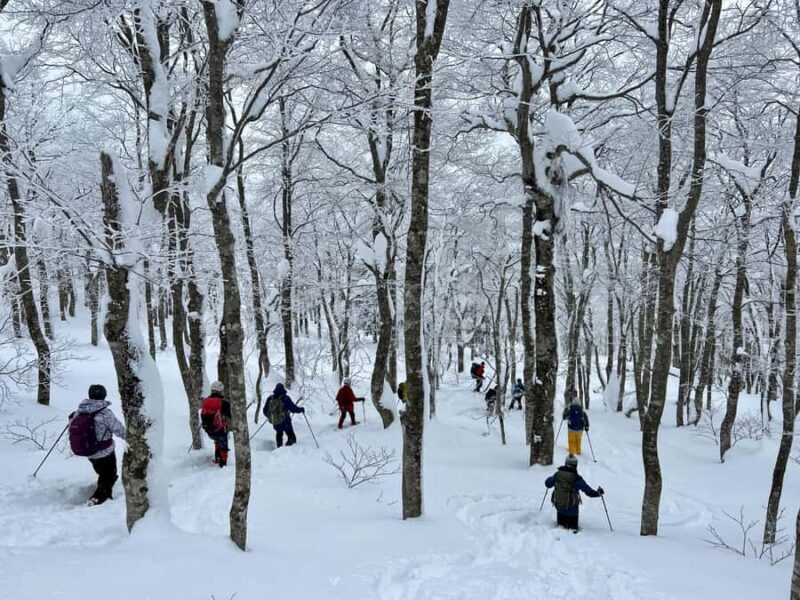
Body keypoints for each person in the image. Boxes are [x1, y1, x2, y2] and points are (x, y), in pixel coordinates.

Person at [69, 384, 126, 506]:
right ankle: (98, 499)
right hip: (105, 452)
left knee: (103, 473)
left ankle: (105, 485)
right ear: (104, 396)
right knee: (108, 475)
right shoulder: (105, 414)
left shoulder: (79, 412)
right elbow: (119, 430)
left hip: (89, 452)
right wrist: (132, 438)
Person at [544, 454, 604, 531]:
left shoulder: (558, 474)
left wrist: (553, 478)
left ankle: (561, 527)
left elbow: (547, 484)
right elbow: (588, 491)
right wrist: (598, 493)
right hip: (572, 511)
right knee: (572, 529)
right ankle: (572, 530)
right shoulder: (576, 478)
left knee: (561, 527)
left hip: (559, 507)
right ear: (575, 465)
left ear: (566, 463)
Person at [200, 381, 231, 467]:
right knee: (223, 444)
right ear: (221, 391)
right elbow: (231, 415)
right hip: (220, 429)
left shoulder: (205, 401)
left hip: (209, 430)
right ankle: (223, 463)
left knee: (217, 440)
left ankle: (217, 458)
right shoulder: (223, 403)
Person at [264, 383, 304, 447]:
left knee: (279, 433)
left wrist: (272, 416)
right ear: (283, 389)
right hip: (285, 421)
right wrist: (301, 410)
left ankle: (279, 447)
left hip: (276, 421)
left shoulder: (270, 399)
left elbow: (265, 411)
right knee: (292, 437)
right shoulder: (285, 398)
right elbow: (293, 408)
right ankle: (290, 449)